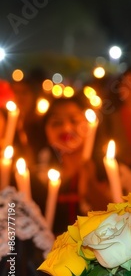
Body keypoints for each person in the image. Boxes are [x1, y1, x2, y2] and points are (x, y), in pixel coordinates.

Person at [32, 95, 112, 235]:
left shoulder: (112, 171)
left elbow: (117, 219)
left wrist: (91, 185)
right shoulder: (34, 176)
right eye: (57, 123)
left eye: (74, 121)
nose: (66, 128)